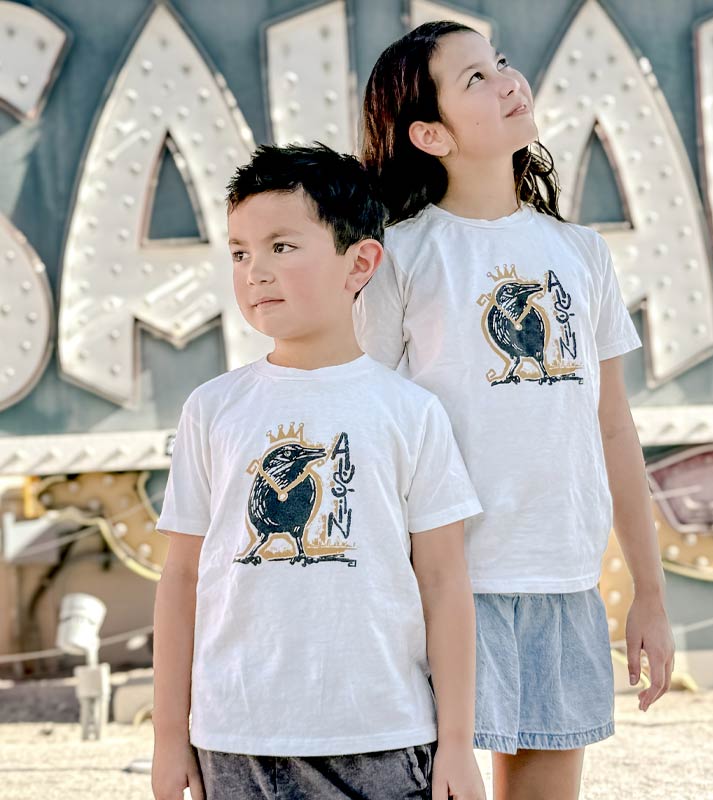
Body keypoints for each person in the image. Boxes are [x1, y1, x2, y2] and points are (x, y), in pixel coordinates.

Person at [357, 22, 676, 800]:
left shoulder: (581, 253)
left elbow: (613, 427)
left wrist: (650, 594)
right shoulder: (399, 256)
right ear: (429, 133)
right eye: (473, 78)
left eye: (499, 62)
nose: (506, 79)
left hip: (565, 581)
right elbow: (369, 431)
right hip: (445, 587)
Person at [151, 143, 486, 800]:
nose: (256, 272)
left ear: (359, 262)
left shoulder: (410, 412)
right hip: (234, 741)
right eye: (241, 253)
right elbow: (182, 578)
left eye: (282, 246)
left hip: (382, 739)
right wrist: (170, 736)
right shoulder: (213, 409)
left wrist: (457, 745)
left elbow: (445, 584)